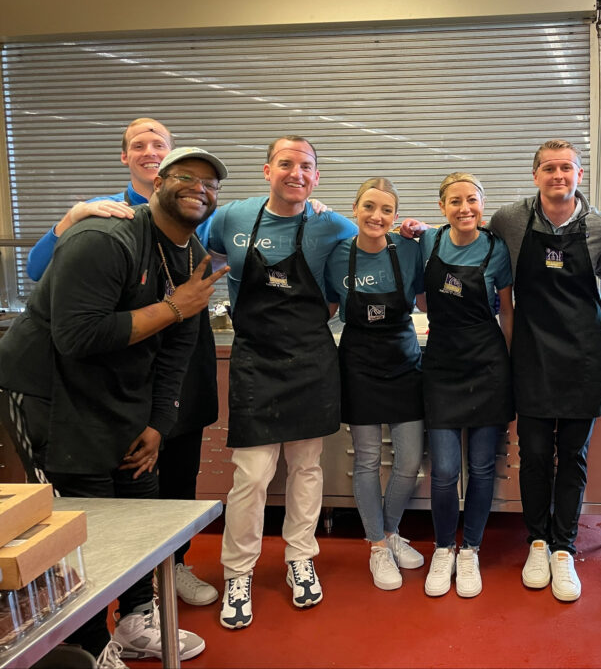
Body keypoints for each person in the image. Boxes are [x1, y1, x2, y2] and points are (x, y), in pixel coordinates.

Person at [0, 146, 228, 666]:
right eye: (186, 177)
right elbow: (77, 336)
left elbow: (176, 347)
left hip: (119, 393)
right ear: (158, 183)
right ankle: (88, 645)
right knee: (83, 522)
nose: (199, 188)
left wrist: (158, 424)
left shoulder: (193, 256)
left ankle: (134, 618)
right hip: (50, 392)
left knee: (138, 503)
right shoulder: (105, 238)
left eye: (210, 183)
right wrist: (174, 306)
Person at [211, 136, 356, 629]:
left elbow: (374, 241)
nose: (297, 173)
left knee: (307, 467)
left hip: (312, 358)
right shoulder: (231, 217)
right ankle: (238, 572)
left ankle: (300, 558)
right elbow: (196, 254)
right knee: (251, 475)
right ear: (267, 169)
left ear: (317, 177)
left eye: (307, 167)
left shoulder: (330, 222)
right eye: (287, 164)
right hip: (256, 358)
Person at [489, 139, 601, 603]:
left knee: (573, 455)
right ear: (535, 174)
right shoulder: (510, 220)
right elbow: (467, 238)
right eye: (549, 168)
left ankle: (564, 548)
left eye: (567, 168)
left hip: (583, 355)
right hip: (533, 354)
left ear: (579, 174)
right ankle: (537, 542)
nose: (558, 175)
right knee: (536, 452)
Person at [414, 172, 514, 598]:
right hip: (441, 365)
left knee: (482, 466)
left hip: (488, 364)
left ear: (482, 203)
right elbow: (420, 298)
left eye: (472, 200)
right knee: (446, 470)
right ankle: (442, 548)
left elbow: (506, 311)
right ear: (442, 207)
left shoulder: (496, 249)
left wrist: (508, 363)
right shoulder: (427, 242)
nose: (464, 208)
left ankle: (469, 548)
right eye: (454, 201)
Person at [324, 178, 426, 591]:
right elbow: (327, 307)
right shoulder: (336, 254)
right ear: (355, 208)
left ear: (396, 217)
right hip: (359, 363)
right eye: (369, 207)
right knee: (366, 460)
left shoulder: (410, 248)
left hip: (404, 361)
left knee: (409, 461)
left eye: (386, 210)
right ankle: (378, 545)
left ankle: (391, 529)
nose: (376, 216)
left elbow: (425, 298)